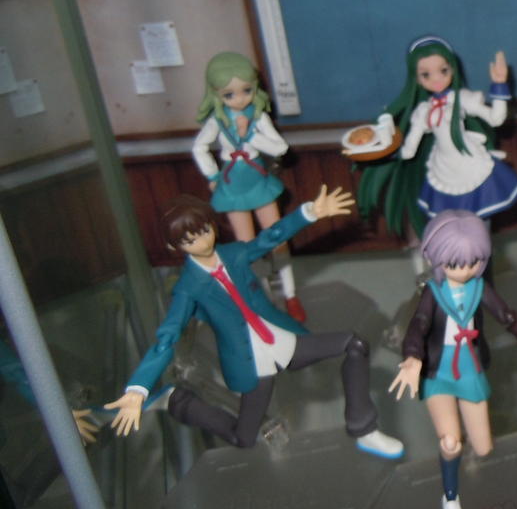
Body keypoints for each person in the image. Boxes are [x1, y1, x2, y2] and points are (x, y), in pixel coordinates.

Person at [104, 186, 403, 459]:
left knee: (355, 344)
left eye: (205, 230)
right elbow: (167, 337)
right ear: (176, 247)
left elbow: (269, 238)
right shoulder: (188, 288)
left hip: (284, 340)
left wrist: (309, 212)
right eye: (190, 240)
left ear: (212, 225)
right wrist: (138, 388)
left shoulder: (234, 254)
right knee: (243, 438)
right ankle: (177, 402)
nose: (202, 241)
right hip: (249, 362)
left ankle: (364, 429)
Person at [389, 210, 517, 509]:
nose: (466, 269)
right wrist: (412, 358)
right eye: (456, 263)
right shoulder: (433, 293)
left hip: (469, 366)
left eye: (473, 261)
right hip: (437, 370)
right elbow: (418, 326)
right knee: (450, 441)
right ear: (437, 258)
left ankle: (465, 458)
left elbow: (507, 316)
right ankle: (450, 497)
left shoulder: (479, 287)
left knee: (484, 448)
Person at [356, 36, 517, 240]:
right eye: (426, 74)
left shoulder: (462, 98)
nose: (436, 79)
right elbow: (409, 150)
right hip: (444, 170)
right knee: (451, 228)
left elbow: (496, 118)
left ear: (452, 69)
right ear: (416, 78)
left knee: (481, 226)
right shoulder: (423, 111)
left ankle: (481, 257)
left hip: (472, 166)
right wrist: (383, 150)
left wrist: (499, 85)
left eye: (443, 70)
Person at [192, 52, 306, 322]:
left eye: (246, 90)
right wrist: (212, 175)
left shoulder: (258, 117)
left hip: (258, 181)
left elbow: (280, 147)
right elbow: (199, 147)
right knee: (247, 247)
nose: (240, 99)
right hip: (233, 184)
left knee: (277, 239)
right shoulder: (217, 121)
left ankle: (290, 294)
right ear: (216, 94)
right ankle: (262, 297)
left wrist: (251, 136)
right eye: (229, 94)